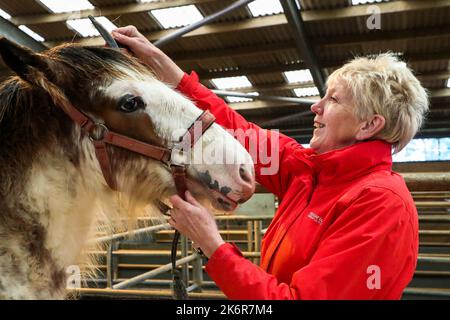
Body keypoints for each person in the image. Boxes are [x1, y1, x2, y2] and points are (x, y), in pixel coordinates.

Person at [111, 26, 429, 300]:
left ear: (368, 125)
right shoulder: (308, 171)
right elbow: (240, 132)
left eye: (332, 99)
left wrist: (212, 244)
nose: (315, 107)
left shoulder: (381, 203)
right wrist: (159, 63)